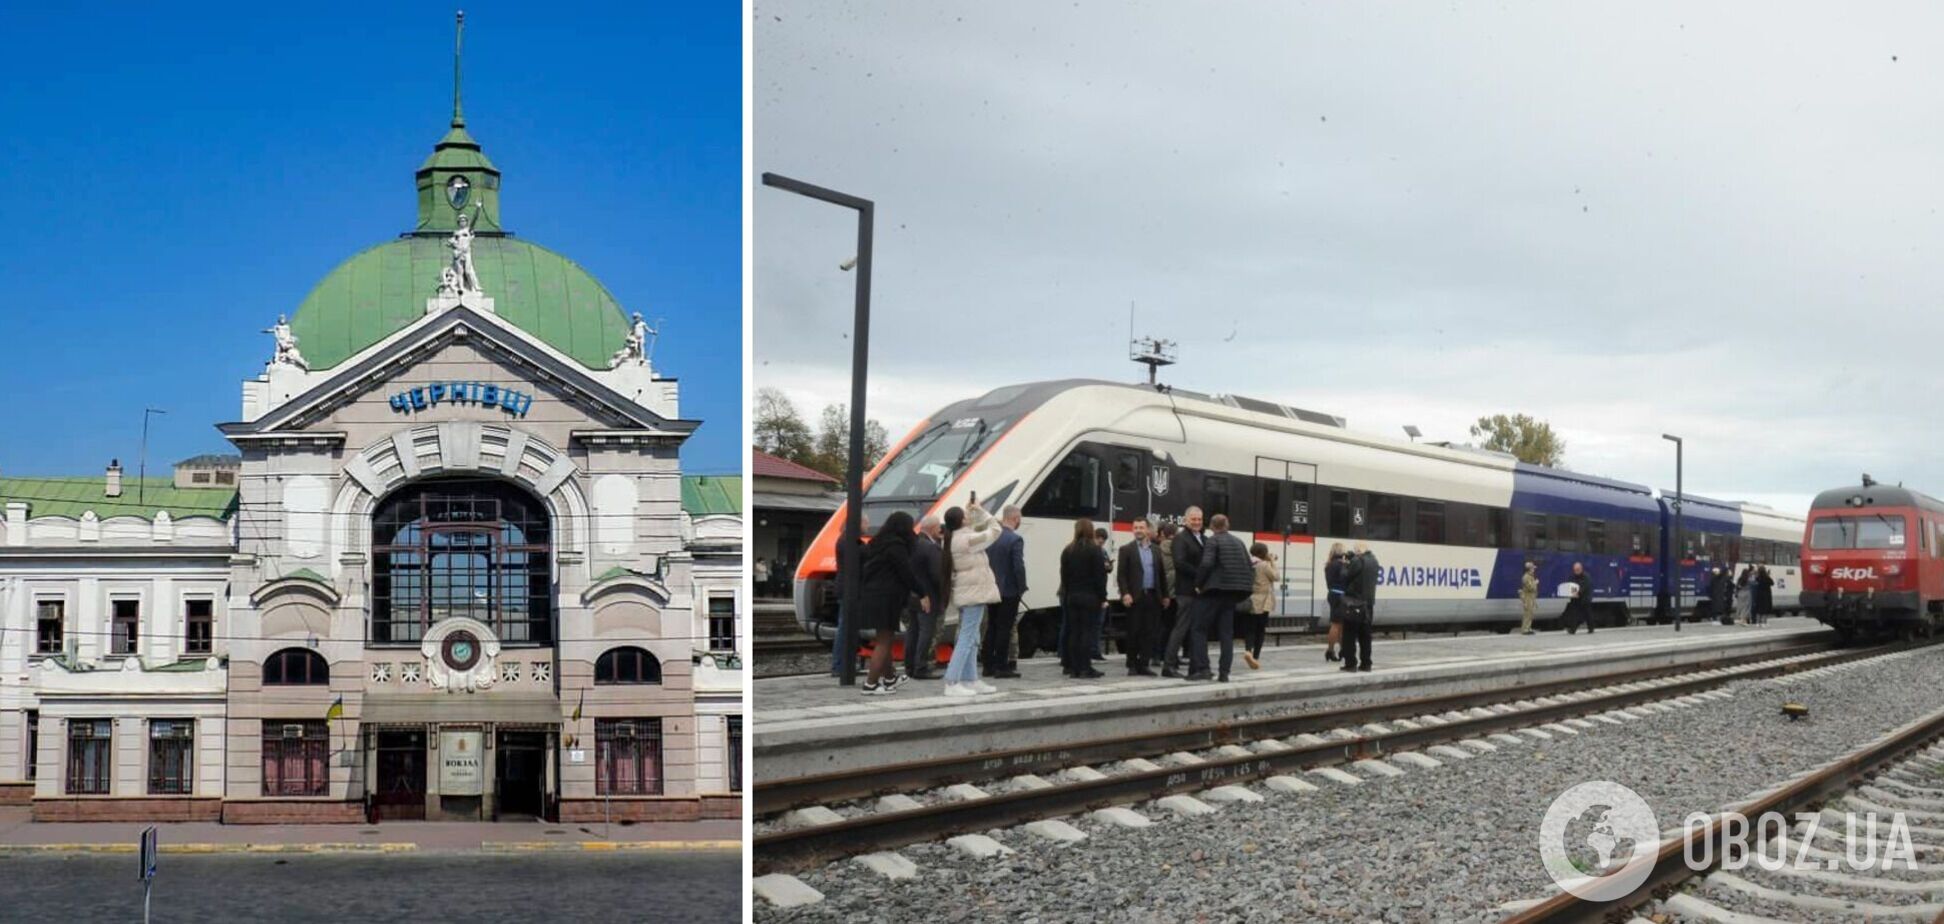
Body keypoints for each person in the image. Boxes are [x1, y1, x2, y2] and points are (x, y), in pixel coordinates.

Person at [940, 499, 1004, 696]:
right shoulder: (967, 540)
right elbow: (995, 530)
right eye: (965, 516)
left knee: (972, 636)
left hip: (967, 592)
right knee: (967, 637)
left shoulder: (956, 538)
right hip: (973, 594)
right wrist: (982, 512)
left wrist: (972, 513)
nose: (968, 517)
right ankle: (952, 681)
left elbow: (975, 530)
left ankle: (970, 679)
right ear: (961, 521)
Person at [856, 512, 925, 694]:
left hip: (872, 595)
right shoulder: (896, 546)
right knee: (884, 642)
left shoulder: (877, 543)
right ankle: (870, 684)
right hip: (887, 598)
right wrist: (922, 593)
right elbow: (906, 572)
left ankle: (889, 678)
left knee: (883, 639)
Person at [1189, 514, 1252, 682]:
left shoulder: (1213, 541)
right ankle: (1224, 673)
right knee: (1226, 633)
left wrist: (1198, 584)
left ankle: (1203, 668)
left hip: (1214, 591)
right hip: (1232, 594)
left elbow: (1207, 564)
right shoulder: (1239, 542)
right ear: (1227, 525)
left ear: (1211, 526)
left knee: (1198, 628)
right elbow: (1248, 565)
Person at [1116, 517, 1169, 676]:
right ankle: (1132, 663)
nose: (1138, 530)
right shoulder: (1126, 549)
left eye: (1141, 527)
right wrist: (1125, 593)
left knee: (1150, 631)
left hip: (1153, 596)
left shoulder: (1156, 550)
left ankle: (1144, 664)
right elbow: (1121, 575)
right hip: (1135, 597)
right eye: (1136, 528)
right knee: (1134, 631)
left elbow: (1161, 574)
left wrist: (1165, 595)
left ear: (1148, 530)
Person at [982, 505, 1027, 678]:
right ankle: (1001, 666)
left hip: (992, 589)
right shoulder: (1015, 539)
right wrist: (1022, 587)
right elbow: (1018, 567)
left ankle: (988, 665)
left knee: (991, 626)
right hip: (1009, 590)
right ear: (1015, 519)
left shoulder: (992, 537)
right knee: (1005, 628)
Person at [1059, 518, 1108, 679]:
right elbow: (1099, 576)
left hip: (1072, 596)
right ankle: (1085, 667)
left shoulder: (1068, 550)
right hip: (1090, 597)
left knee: (1074, 632)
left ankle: (1074, 668)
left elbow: (1064, 576)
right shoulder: (1095, 550)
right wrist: (1103, 597)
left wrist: (1067, 593)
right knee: (1087, 631)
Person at [1163, 508, 1207, 678]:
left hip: (1200, 590)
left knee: (1195, 629)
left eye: (1199, 519)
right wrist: (1200, 575)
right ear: (1186, 520)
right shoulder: (1181, 539)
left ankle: (1196, 665)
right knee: (1181, 628)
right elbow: (1180, 563)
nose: (1197, 522)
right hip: (1187, 590)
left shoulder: (1202, 538)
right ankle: (1168, 665)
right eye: (1193, 519)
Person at [903, 514, 944, 680]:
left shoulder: (910, 544)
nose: (940, 530)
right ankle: (920, 667)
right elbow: (937, 575)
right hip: (928, 596)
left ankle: (909, 666)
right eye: (938, 527)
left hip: (911, 595)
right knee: (926, 632)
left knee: (912, 631)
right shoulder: (930, 547)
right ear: (933, 528)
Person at [829, 513, 871, 677]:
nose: (868, 527)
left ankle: (845, 664)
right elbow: (862, 557)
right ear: (858, 523)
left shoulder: (848, 539)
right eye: (866, 523)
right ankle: (840, 666)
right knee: (846, 628)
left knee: (848, 628)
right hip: (849, 590)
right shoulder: (849, 541)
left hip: (849, 588)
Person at [1338, 541, 1378, 672]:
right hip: (1369, 604)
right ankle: (1366, 664)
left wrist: (1345, 565)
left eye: (1355, 551)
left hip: (1355, 603)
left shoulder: (1358, 561)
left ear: (1358, 551)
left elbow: (1345, 576)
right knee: (1365, 635)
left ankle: (1351, 664)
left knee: (1349, 635)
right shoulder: (1374, 561)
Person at [1243, 542, 1276, 669]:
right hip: (1263, 601)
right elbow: (1276, 576)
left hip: (1251, 600)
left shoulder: (1248, 563)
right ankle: (1256, 657)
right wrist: (1272, 562)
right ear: (1263, 553)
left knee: (1250, 629)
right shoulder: (1264, 565)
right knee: (1260, 629)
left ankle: (1248, 651)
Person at [1153, 521, 1181, 667]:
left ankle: (1157, 655)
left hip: (1162, 591)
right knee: (1172, 626)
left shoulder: (1158, 549)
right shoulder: (1178, 548)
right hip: (1175, 591)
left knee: (1161, 624)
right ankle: (1169, 654)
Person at [1323, 543, 1349, 661]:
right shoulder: (1341, 565)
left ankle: (1341, 650)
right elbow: (1345, 578)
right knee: (1337, 625)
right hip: (1340, 595)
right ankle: (1331, 650)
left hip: (1332, 594)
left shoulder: (1329, 564)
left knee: (1339, 624)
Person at [1092, 528, 1113, 660]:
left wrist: (1109, 566)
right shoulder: (1091, 551)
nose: (1100, 541)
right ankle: (1092, 650)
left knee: (1099, 623)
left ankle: (1095, 650)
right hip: (1093, 592)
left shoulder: (1104, 552)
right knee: (1093, 623)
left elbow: (1108, 568)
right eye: (1098, 538)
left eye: (1103, 539)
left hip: (1102, 591)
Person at [1562, 561, 1593, 634]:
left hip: (1584, 598)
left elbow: (1585, 586)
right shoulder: (1572, 577)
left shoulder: (1586, 577)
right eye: (1575, 570)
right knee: (1574, 614)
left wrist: (1578, 592)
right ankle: (1573, 630)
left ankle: (1591, 628)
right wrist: (1571, 593)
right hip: (1575, 598)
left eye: (1577, 570)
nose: (1576, 571)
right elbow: (1570, 585)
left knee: (1587, 614)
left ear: (1581, 569)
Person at [1519, 561, 1539, 635]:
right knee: (1527, 613)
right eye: (1533, 568)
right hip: (1527, 597)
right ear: (1529, 569)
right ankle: (1525, 629)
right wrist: (1535, 583)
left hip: (1531, 597)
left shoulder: (1530, 576)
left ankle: (1528, 628)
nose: (1534, 570)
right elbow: (1530, 587)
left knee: (1530, 613)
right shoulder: (1526, 577)